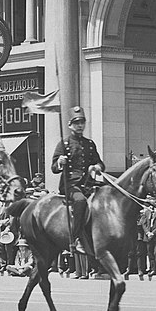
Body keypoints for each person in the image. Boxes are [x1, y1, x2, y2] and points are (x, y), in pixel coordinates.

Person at [52, 106, 104, 256]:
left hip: (88, 183)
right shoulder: (64, 144)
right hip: (70, 185)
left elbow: (101, 163)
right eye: (76, 123)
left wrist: (96, 166)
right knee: (80, 201)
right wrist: (60, 162)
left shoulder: (90, 144)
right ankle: (75, 238)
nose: (80, 125)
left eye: (82, 122)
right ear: (70, 125)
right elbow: (54, 168)